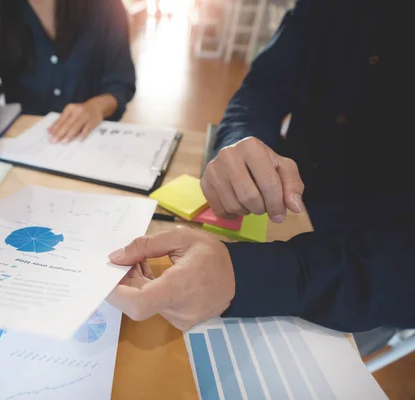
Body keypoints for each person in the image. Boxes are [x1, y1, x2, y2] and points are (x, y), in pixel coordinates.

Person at [106, 0, 415, 341]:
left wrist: (250, 274)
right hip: (278, 218)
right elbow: (258, 92)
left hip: (372, 283)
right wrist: (239, 141)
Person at [0, 0, 135, 176]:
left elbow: (121, 81)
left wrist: (96, 107)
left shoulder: (105, 4)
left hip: (99, 145)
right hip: (28, 152)